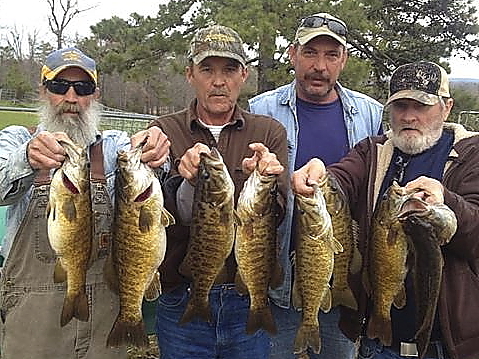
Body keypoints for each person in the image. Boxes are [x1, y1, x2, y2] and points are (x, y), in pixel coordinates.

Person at [291, 61, 479, 359]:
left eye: (421, 106)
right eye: (400, 106)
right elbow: (343, 177)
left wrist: (447, 200)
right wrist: (321, 175)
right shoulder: (373, 151)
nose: (408, 116)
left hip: (447, 346)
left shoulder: (471, 154)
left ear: (446, 107)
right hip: (378, 345)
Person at [0, 47, 170, 359]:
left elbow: (149, 175)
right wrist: (26, 159)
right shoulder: (15, 140)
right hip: (33, 325)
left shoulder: (113, 146)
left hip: (105, 327)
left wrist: (155, 149)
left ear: (95, 95)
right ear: (43, 91)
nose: (71, 97)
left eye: (83, 88)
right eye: (59, 86)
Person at [248, 12, 383, 359]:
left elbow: (415, 142)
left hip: (340, 281)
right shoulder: (260, 111)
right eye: (310, 53)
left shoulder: (371, 115)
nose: (319, 66)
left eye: (331, 55)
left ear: (344, 60)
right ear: (292, 54)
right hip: (275, 283)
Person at [148, 25, 289, 359]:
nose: (218, 80)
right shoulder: (164, 130)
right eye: (207, 69)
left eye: (228, 70)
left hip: (245, 296)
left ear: (244, 75)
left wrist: (266, 183)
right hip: (182, 294)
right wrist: (184, 180)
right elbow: (159, 215)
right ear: (190, 74)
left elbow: (281, 211)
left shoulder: (268, 132)